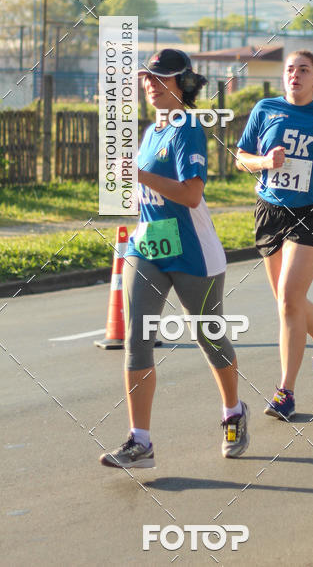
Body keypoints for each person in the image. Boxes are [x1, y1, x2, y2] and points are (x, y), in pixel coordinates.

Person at [99, 49, 249, 469]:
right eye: (147, 77)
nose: (150, 84)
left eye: (159, 78)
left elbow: (191, 194)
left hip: (192, 250)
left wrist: (140, 175)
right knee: (137, 339)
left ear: (182, 84)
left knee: (209, 336)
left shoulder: (188, 129)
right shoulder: (151, 132)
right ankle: (140, 441)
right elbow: (147, 193)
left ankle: (233, 412)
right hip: (148, 246)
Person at [235, 50, 313, 420]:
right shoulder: (265, 109)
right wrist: (265, 162)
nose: (295, 75)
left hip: (312, 211)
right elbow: (241, 158)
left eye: (304, 70)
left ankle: (285, 392)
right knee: (289, 302)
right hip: (271, 211)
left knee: (289, 298)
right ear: (283, 77)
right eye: (290, 70)